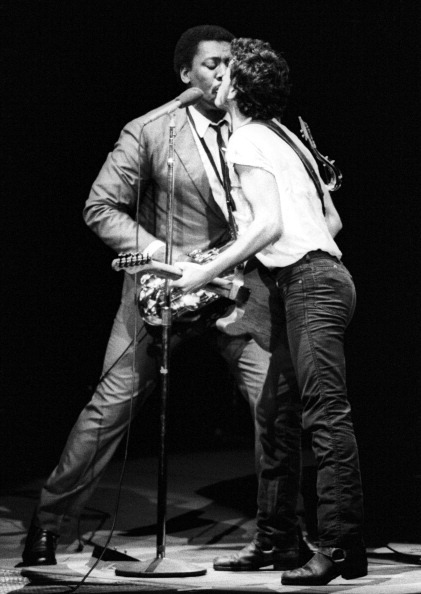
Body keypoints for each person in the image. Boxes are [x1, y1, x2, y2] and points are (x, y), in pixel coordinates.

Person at [20, 26, 301, 571]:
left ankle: (279, 533)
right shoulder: (151, 131)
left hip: (237, 291)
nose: (224, 74)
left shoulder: (260, 129)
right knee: (108, 410)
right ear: (185, 74)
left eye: (231, 63)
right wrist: (161, 255)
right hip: (164, 289)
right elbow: (100, 206)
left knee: (273, 407)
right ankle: (48, 526)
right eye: (213, 64)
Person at [172, 37, 367, 586]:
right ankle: (279, 540)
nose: (214, 80)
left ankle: (342, 545)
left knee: (325, 415)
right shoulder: (285, 138)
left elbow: (269, 227)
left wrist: (202, 273)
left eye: (223, 71)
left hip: (309, 284)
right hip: (309, 279)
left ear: (236, 85)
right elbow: (330, 224)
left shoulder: (246, 141)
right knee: (275, 412)